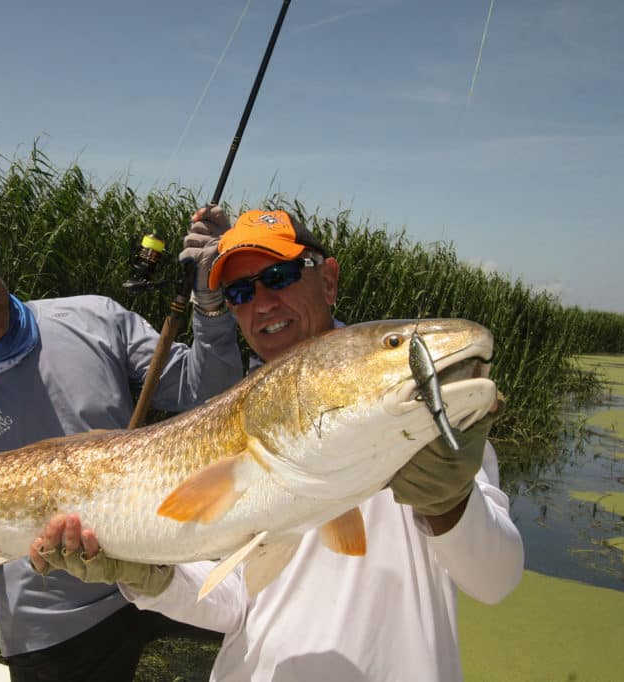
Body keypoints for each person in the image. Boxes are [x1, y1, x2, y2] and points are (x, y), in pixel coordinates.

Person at [30, 207, 525, 681]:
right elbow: (235, 604)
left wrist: (450, 503)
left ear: (328, 279)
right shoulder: (229, 422)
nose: (263, 303)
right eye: (241, 292)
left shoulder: (416, 412)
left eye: (281, 276)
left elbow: (495, 579)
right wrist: (151, 581)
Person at [0, 195, 243, 681]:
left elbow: (208, 393)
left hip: (169, 560)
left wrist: (211, 302)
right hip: (54, 620)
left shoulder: (96, 320)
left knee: (291, 628)